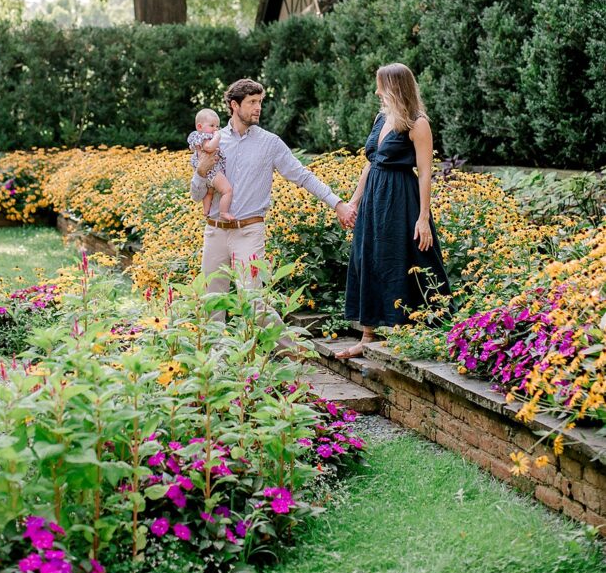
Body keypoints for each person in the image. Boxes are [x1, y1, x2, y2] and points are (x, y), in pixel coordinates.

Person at [190, 78, 355, 329]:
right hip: (214, 231)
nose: (258, 107)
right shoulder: (212, 142)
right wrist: (201, 171)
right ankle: (217, 366)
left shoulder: (270, 143)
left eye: (260, 102)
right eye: (252, 102)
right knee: (211, 304)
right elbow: (196, 194)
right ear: (234, 105)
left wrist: (337, 203)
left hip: (249, 231)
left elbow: (302, 175)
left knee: (253, 302)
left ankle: (291, 352)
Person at [336, 62, 451, 359]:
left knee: (405, 256)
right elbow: (370, 163)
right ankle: (367, 336)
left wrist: (423, 218)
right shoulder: (380, 118)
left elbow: (425, 172)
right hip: (374, 197)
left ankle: (419, 330)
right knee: (368, 258)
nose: (376, 91)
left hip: (401, 198)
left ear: (395, 87)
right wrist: (353, 202)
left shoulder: (417, 122)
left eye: (380, 85)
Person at [187, 108, 234, 221]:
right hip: (212, 171)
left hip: (207, 173)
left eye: (217, 126)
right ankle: (223, 212)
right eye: (212, 126)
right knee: (227, 191)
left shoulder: (198, 137)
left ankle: (206, 211)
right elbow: (209, 148)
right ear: (199, 127)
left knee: (209, 192)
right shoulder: (205, 137)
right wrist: (217, 137)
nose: (215, 129)